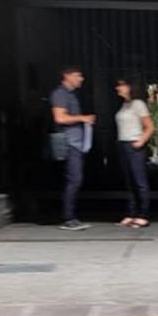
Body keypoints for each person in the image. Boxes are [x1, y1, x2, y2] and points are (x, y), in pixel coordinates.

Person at [49, 65, 95, 231]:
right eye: (78, 75)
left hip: (75, 143)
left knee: (74, 179)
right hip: (69, 143)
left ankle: (70, 216)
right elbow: (59, 118)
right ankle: (68, 218)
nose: (81, 79)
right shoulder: (60, 94)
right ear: (67, 76)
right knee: (74, 179)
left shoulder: (70, 95)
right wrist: (83, 118)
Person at [113, 78, 154, 228]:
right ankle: (131, 213)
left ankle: (144, 215)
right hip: (123, 145)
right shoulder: (124, 105)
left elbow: (150, 127)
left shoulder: (138, 104)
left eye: (121, 85)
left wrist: (140, 141)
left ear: (130, 87)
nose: (118, 88)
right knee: (129, 182)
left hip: (134, 145)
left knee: (139, 181)